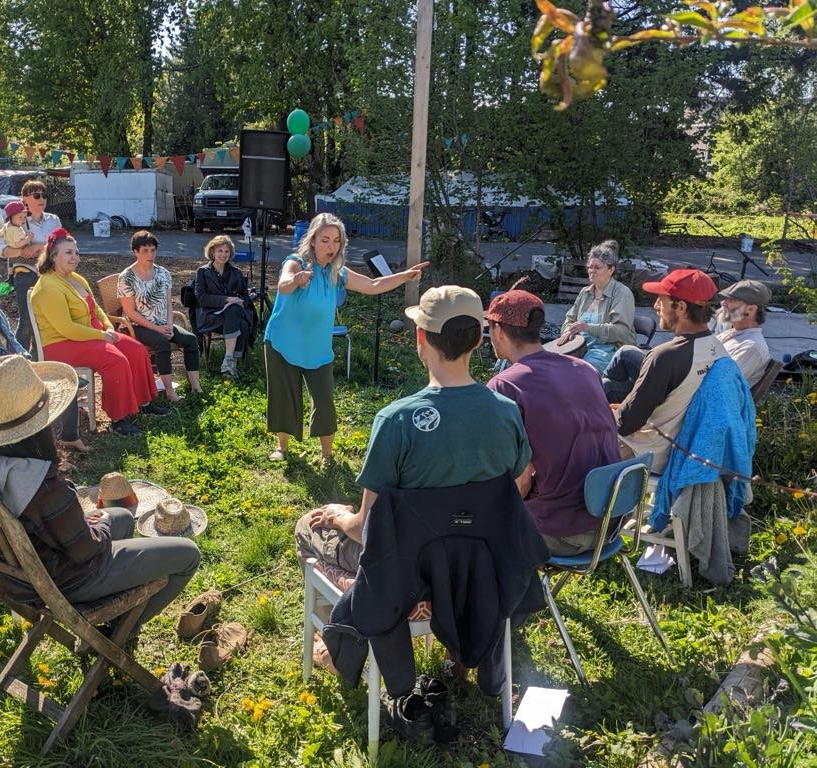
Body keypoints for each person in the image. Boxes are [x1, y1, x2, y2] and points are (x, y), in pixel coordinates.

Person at [295, 285, 530, 580]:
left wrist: (340, 518)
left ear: (421, 337)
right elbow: (520, 485)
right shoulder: (508, 411)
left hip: (409, 572)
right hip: (479, 567)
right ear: (476, 341)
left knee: (307, 526)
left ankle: (351, 617)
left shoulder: (396, 420)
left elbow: (366, 529)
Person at [0, 354, 200, 616]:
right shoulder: (39, 483)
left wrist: (89, 523)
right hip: (65, 580)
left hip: (17, 578)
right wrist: (97, 525)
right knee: (188, 555)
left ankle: (117, 604)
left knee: (123, 516)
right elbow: (85, 551)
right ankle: (118, 631)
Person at [265, 213, 428, 465]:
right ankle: (282, 447)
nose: (331, 247)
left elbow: (372, 285)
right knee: (284, 397)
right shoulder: (297, 262)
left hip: (317, 350)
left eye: (336, 241)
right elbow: (283, 284)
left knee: (324, 400)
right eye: (325, 240)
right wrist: (296, 280)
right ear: (313, 240)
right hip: (283, 344)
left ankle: (326, 455)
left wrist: (404, 276)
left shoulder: (336, 272)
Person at [485, 290, 620, 555]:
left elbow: (520, 480)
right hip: (610, 523)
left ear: (498, 330)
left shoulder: (505, 385)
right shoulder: (585, 369)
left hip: (559, 532)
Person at [29, 227, 162, 436]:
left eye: (76, 252)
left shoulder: (76, 278)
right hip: (60, 344)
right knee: (115, 360)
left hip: (89, 335)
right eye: (68, 252)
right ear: (53, 256)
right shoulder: (48, 286)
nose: (74, 257)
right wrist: (102, 336)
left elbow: (96, 308)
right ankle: (118, 418)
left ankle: (143, 402)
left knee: (136, 350)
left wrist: (108, 326)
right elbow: (66, 328)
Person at [0, 263, 89, 455]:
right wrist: (23, 369)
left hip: (10, 368)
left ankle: (67, 437)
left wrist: (25, 362)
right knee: (42, 393)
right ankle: (50, 452)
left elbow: (12, 342)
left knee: (64, 383)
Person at [608, 269, 728, 473]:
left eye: (661, 301)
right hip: (683, 448)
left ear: (680, 307)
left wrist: (600, 411)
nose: (655, 306)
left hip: (649, 454)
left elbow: (626, 424)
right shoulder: (718, 348)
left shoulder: (665, 356)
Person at [118, 230, 202, 402]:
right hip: (136, 326)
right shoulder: (126, 277)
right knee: (162, 342)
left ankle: (196, 387)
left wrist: (170, 325)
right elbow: (131, 313)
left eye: (153, 250)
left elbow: (168, 304)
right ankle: (170, 392)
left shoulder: (163, 273)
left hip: (163, 323)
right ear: (135, 251)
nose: (150, 254)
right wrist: (157, 329)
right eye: (145, 251)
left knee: (191, 340)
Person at [0, 180, 61, 352]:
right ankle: (18, 359)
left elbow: (62, 244)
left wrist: (38, 246)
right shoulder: (15, 221)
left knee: (46, 319)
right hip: (25, 274)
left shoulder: (54, 220)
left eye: (44, 195)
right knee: (26, 320)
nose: (42, 199)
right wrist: (20, 251)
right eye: (37, 195)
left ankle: (40, 359)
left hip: (50, 275)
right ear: (24, 198)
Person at [556, 239, 636, 373]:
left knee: (577, 372)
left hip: (608, 350)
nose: (592, 271)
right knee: (548, 367)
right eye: (590, 267)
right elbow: (569, 319)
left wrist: (587, 328)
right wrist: (567, 331)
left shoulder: (622, 294)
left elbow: (621, 332)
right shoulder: (586, 292)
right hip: (579, 347)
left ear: (611, 269)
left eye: (597, 267)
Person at [194, 234, 258, 378]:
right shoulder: (203, 272)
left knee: (235, 310)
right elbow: (202, 298)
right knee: (240, 323)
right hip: (211, 317)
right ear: (212, 252)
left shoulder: (236, 273)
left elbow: (245, 297)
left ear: (231, 253)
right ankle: (231, 363)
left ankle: (228, 362)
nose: (223, 254)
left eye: (226, 251)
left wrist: (240, 300)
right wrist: (227, 299)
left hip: (231, 316)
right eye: (220, 251)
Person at [714, 279, 771, 386]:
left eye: (732, 300)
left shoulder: (751, 346)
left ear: (750, 310)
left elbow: (720, 384)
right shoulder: (734, 332)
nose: (723, 303)